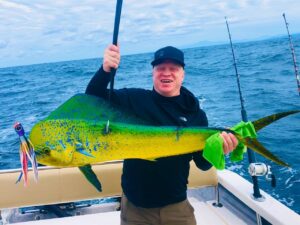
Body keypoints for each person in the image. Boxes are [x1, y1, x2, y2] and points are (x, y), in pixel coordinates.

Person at [85, 45, 238, 225]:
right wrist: (105, 71)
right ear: (153, 73)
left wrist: (219, 149)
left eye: (173, 68)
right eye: (160, 68)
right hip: (136, 208)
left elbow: (203, 164)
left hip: (177, 207)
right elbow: (93, 97)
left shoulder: (195, 114)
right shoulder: (134, 100)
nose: (166, 73)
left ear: (183, 74)